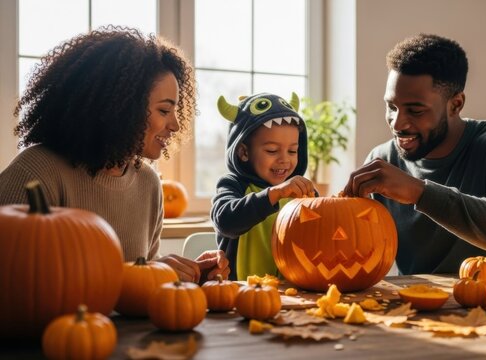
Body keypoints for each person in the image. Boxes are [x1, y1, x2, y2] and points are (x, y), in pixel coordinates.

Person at [0, 26, 229, 283]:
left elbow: (140, 279)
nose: (175, 125)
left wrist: (187, 276)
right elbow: (20, 287)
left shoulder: (148, 183)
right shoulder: (35, 174)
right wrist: (144, 274)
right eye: (164, 111)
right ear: (119, 109)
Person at [343, 34, 486, 275]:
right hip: (414, 305)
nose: (397, 122)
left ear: (455, 105)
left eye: (415, 110)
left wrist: (418, 192)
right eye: (391, 106)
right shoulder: (381, 161)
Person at [211, 92, 315, 281]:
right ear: (243, 152)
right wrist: (274, 194)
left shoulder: (301, 191)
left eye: (292, 150)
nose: (284, 159)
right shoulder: (233, 185)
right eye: (272, 150)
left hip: (293, 292)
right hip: (241, 293)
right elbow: (225, 221)